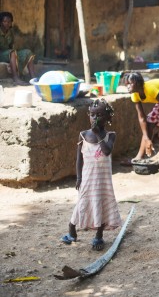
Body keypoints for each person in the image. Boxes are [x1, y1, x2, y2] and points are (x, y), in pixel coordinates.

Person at [60, 98, 122, 250]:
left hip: (103, 180)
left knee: (100, 205)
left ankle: (99, 237)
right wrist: (79, 177)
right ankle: (72, 232)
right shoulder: (83, 135)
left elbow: (106, 151)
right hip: (87, 178)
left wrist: (99, 135)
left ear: (108, 118)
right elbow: (79, 159)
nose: (94, 118)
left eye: (99, 115)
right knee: (82, 203)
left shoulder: (110, 135)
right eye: (92, 114)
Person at [0, 11, 36, 85]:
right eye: (5, 21)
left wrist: (13, 56)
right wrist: (11, 54)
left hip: (9, 53)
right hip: (1, 54)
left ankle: (33, 78)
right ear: (0, 22)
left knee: (28, 52)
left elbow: (11, 46)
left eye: (9, 22)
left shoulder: (10, 32)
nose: (7, 23)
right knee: (12, 52)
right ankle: (16, 78)